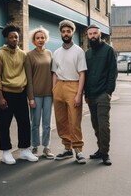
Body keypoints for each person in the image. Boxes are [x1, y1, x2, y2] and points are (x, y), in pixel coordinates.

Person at [0, 23, 38, 165]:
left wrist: (29, 96)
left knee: (24, 122)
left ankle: (24, 150)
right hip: (6, 94)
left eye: (16, 37)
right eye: (11, 37)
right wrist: (0, 97)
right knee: (3, 124)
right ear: (6, 38)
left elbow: (28, 75)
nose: (14, 39)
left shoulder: (23, 54)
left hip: (21, 94)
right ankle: (5, 152)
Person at [52, 19, 87, 164]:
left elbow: (82, 73)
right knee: (61, 120)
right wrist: (54, 90)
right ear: (60, 33)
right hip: (59, 86)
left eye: (68, 31)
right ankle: (67, 148)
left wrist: (79, 94)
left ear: (73, 32)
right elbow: (54, 72)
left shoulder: (79, 51)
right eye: (63, 31)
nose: (66, 34)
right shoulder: (57, 52)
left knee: (74, 120)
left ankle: (78, 150)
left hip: (74, 86)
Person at [85, 24, 117, 166]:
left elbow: (112, 72)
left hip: (103, 94)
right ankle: (100, 148)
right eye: (90, 34)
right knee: (95, 125)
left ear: (100, 35)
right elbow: (84, 75)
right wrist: (86, 93)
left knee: (104, 125)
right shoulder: (87, 53)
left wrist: (109, 91)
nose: (92, 36)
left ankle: (105, 153)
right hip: (91, 95)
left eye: (95, 33)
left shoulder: (109, 50)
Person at [25, 27, 54, 160]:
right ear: (33, 40)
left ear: (45, 39)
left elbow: (54, 73)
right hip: (35, 95)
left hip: (48, 94)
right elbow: (29, 78)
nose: (40, 40)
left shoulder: (49, 53)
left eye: (42, 37)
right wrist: (30, 97)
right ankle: (35, 146)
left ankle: (46, 147)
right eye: (38, 38)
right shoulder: (29, 56)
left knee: (47, 123)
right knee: (35, 122)